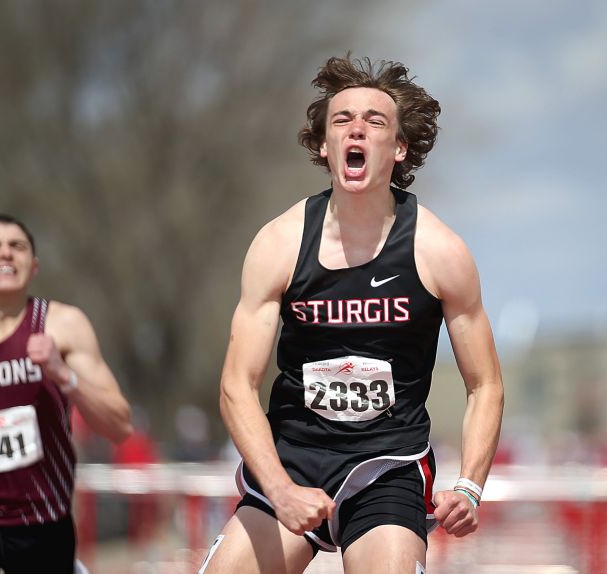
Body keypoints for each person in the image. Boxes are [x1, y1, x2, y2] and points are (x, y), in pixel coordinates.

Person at [201, 55, 504, 574]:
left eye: (375, 120)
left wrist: (470, 485)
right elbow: (236, 384)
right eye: (341, 120)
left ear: (399, 148)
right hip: (293, 459)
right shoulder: (279, 243)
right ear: (325, 145)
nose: (356, 128)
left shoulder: (439, 251)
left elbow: (486, 384)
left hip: (386, 465)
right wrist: (279, 489)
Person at [0, 214, 133, 573]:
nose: (5, 254)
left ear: (33, 266)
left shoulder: (62, 326)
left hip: (43, 518)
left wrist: (63, 374)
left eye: (17, 246)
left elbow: (119, 425)